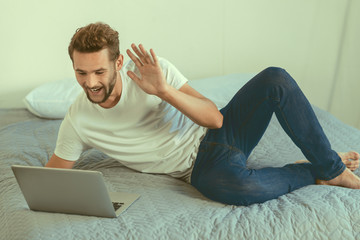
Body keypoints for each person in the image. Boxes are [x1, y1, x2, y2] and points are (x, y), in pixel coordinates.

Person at [46, 22, 360, 206]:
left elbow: (215, 118)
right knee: (236, 188)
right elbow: (50, 179)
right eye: (81, 73)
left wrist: (164, 91)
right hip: (202, 168)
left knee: (275, 79)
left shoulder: (153, 72)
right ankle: (312, 171)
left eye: (98, 71)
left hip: (220, 133)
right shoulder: (79, 120)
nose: (90, 83)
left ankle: (330, 167)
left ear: (117, 64)